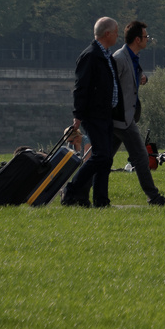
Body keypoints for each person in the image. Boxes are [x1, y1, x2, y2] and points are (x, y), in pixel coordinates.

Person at [111, 21, 165, 206]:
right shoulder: (120, 58)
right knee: (141, 156)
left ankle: (73, 190)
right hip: (121, 118)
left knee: (102, 159)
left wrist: (143, 79)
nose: (148, 39)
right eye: (146, 36)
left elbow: (130, 79)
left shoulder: (132, 57)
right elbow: (111, 87)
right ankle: (154, 198)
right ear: (137, 39)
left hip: (124, 117)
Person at [61, 17, 124, 207]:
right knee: (101, 156)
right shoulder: (90, 55)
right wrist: (78, 115)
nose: (117, 35)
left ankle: (101, 200)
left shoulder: (106, 56)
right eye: (115, 32)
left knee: (105, 160)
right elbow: (81, 87)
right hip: (93, 114)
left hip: (106, 114)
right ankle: (71, 191)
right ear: (107, 34)